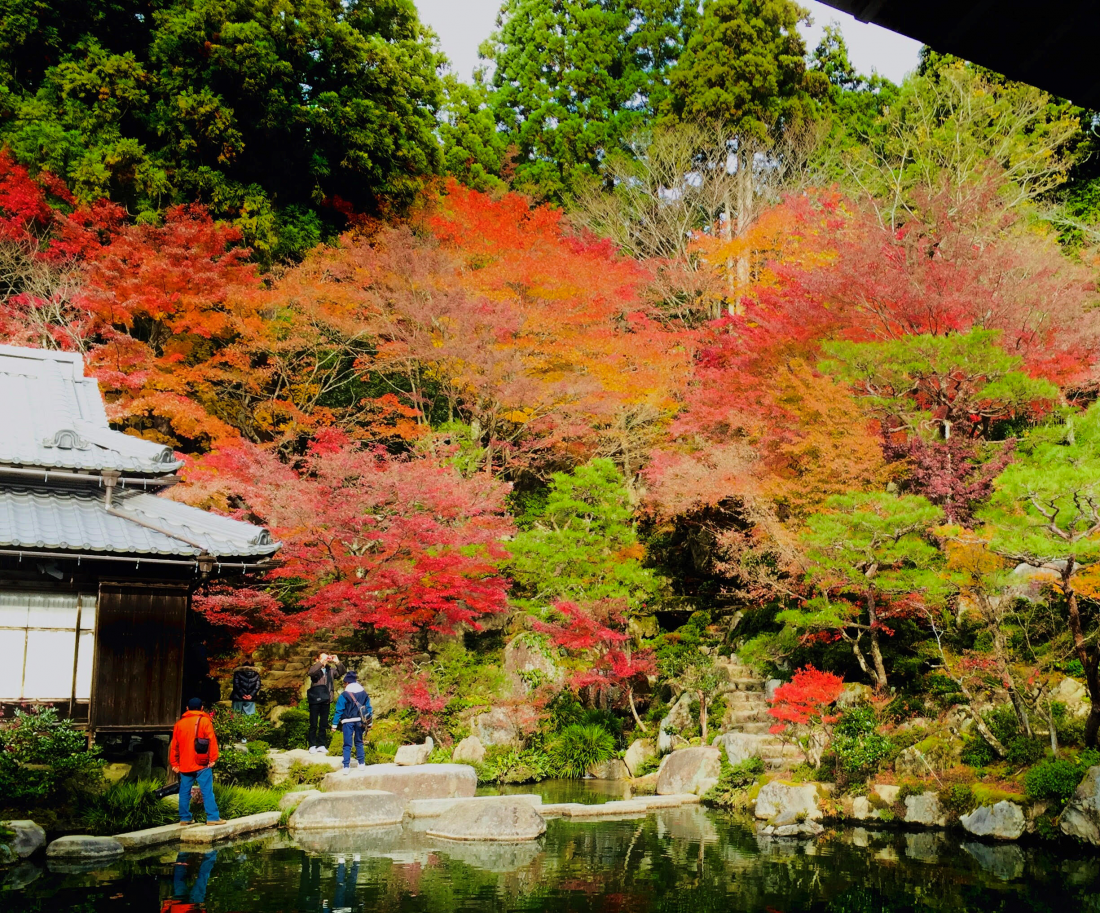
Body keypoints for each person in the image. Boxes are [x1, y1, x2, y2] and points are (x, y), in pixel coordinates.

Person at [169, 697, 221, 826]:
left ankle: (185, 818)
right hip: (201, 763)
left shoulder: (179, 724)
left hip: (185, 764)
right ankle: (212, 818)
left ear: (187, 708)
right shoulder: (204, 721)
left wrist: (174, 763)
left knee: (184, 792)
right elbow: (212, 741)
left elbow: (174, 745)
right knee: (207, 791)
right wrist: (213, 758)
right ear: (202, 708)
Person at [330, 671, 372, 770]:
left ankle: (346, 766)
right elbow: (368, 708)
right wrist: (370, 722)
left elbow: (339, 710)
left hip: (347, 721)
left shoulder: (344, 695)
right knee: (359, 742)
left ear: (347, 683)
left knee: (347, 744)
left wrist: (334, 724)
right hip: (360, 721)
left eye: (344, 683)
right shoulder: (364, 693)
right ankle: (361, 763)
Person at [306, 651, 345, 754]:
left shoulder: (330, 670)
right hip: (315, 699)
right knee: (313, 723)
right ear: (317, 659)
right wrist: (320, 663)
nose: (325, 661)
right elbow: (311, 673)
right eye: (322, 658)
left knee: (323, 724)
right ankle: (312, 745)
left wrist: (337, 662)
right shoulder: (315, 669)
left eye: (326, 659)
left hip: (326, 699)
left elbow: (341, 672)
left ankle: (321, 744)